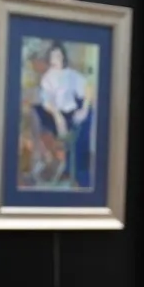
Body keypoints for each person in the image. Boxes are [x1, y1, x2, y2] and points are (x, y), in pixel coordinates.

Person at [34, 43, 93, 188]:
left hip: (73, 112)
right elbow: (46, 102)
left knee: (84, 126)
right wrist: (58, 117)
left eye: (59, 56)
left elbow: (88, 90)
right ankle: (62, 167)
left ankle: (80, 176)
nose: (56, 59)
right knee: (40, 118)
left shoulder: (71, 75)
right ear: (49, 58)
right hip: (55, 115)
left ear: (63, 57)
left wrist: (84, 109)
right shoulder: (47, 78)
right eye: (53, 56)